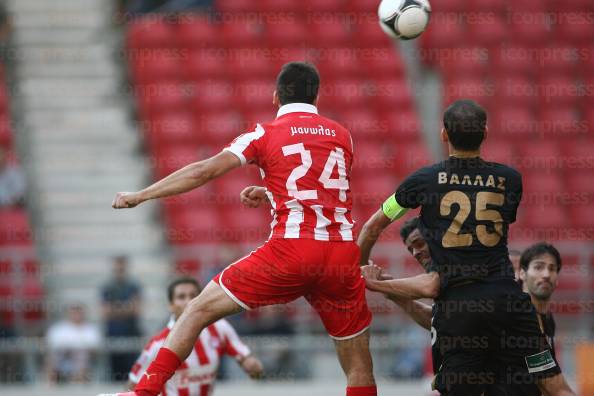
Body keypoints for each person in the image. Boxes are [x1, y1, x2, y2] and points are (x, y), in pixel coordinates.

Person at [107, 62, 376, 396]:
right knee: (358, 365)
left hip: (292, 251)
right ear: (317, 96)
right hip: (340, 257)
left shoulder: (265, 132)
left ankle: (142, 393)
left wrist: (141, 195)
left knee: (197, 310)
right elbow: (322, 191)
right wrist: (271, 193)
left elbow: (203, 171)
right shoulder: (341, 134)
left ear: (275, 97)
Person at [357, 99, 575, 395]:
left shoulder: (422, 181)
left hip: (459, 308)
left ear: (444, 134)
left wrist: (358, 271)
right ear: (485, 132)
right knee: (553, 385)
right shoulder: (510, 180)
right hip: (508, 303)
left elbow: (372, 227)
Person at [365, 217, 563, 395]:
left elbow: (429, 286)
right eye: (411, 249)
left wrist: (375, 284)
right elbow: (436, 321)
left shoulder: (465, 279)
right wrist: (394, 294)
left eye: (420, 243)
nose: (416, 252)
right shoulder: (454, 289)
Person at [127, 277, 263, 395]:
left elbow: (242, 355)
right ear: (171, 305)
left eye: (193, 296)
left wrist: (251, 364)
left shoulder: (219, 328)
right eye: (181, 297)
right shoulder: (158, 344)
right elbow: (133, 384)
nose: (189, 302)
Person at [101, 256, 142, 382]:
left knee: (131, 372)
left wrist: (115, 309)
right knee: (114, 372)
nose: (119, 270)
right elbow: (105, 312)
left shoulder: (134, 286)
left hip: (131, 332)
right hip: (113, 333)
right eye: (117, 268)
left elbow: (136, 310)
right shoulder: (107, 287)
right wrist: (126, 308)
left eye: (121, 268)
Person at [46, 304, 101, 383]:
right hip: (62, 355)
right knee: (52, 358)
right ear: (68, 314)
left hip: (84, 357)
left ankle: (77, 385)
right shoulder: (58, 328)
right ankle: (50, 386)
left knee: (81, 356)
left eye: (78, 313)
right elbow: (52, 344)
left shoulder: (91, 329)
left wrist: (75, 349)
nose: (76, 316)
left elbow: (94, 345)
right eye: (73, 313)